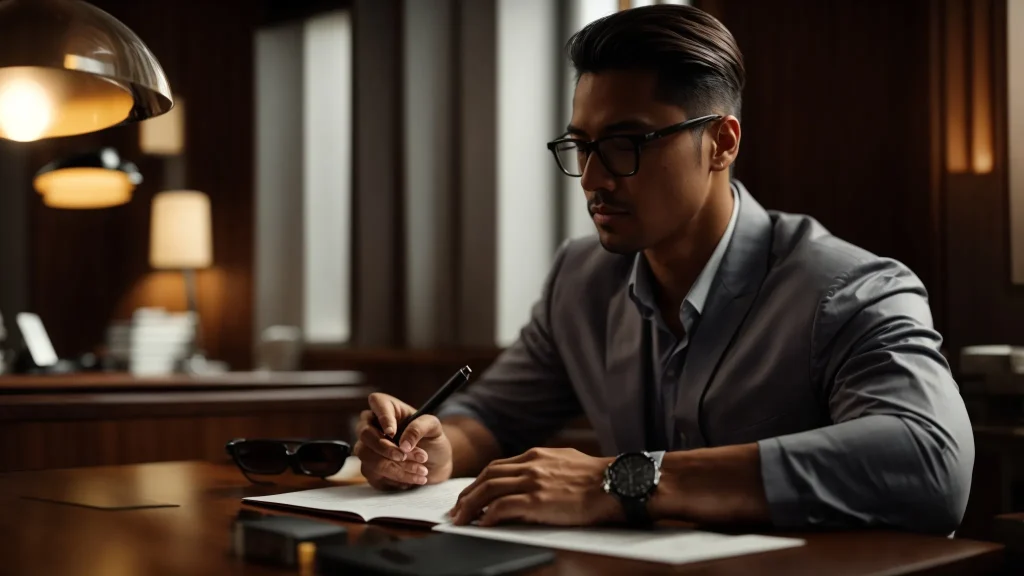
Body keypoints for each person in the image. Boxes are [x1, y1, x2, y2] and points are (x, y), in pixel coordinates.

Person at [353, 4, 973, 534]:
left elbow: (930, 458)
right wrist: (429, 450)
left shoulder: (849, 287)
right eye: (582, 146)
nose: (593, 179)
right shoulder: (581, 279)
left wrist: (618, 481)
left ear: (722, 143)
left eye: (627, 144)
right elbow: (491, 416)